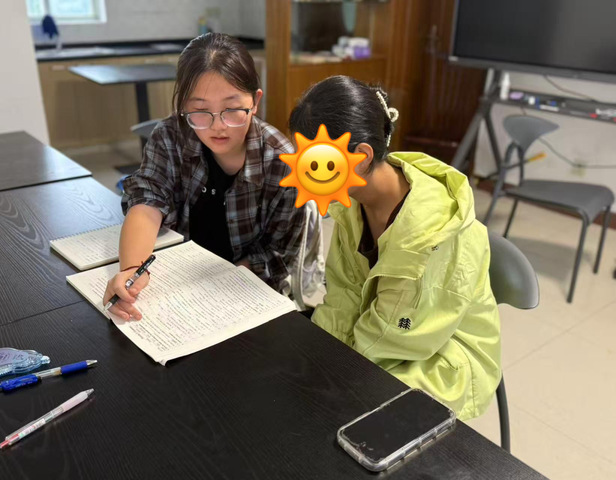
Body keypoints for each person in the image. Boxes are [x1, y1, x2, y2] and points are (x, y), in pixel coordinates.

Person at [288, 76, 501, 420]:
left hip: (438, 357)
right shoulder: (352, 205)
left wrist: (337, 371)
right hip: (382, 338)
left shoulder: (429, 234)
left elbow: (401, 335)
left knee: (339, 412)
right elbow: (343, 292)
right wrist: (322, 355)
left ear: (361, 158)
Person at [103, 33, 305, 321]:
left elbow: (277, 255)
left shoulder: (283, 164)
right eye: (200, 111)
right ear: (183, 107)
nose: (218, 126)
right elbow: (147, 200)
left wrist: (212, 293)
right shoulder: (170, 136)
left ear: (255, 101)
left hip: (245, 293)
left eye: (232, 110)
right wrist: (132, 271)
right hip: (179, 277)